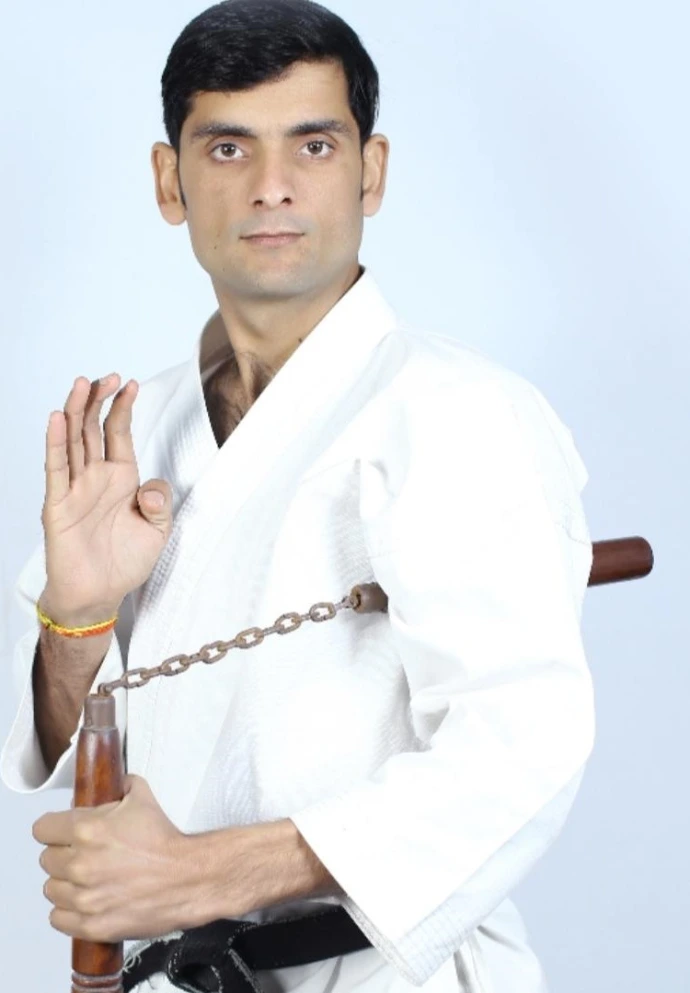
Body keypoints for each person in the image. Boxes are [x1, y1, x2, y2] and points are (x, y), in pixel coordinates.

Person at [0, 1, 595, 991]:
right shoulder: (134, 430)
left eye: (313, 145)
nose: (271, 186)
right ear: (169, 181)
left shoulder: (458, 413)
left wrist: (202, 872)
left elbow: (516, 751)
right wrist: (78, 620)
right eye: (228, 148)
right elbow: (59, 743)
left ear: (371, 171)